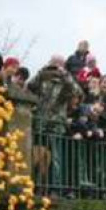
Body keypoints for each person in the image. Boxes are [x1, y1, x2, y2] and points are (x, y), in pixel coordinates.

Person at [29, 54, 81, 189]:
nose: (55, 66)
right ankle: (35, 185)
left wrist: (65, 75)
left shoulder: (66, 81)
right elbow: (30, 86)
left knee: (56, 158)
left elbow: (78, 92)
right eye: (53, 63)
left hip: (56, 124)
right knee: (36, 155)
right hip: (40, 122)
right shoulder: (43, 77)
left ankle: (55, 187)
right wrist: (42, 71)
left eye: (58, 63)